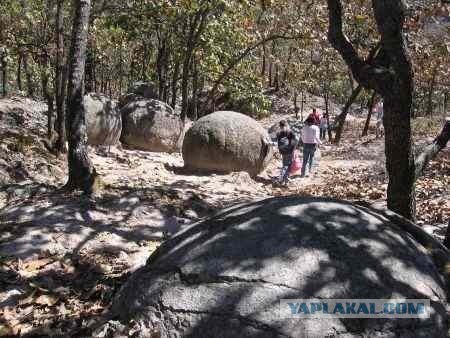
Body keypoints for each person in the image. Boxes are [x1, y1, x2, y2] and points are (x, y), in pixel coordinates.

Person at [276, 120, 297, 185]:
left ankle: (285, 180)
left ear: (280, 126)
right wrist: (293, 151)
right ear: (286, 125)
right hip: (289, 151)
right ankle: (281, 179)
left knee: (285, 165)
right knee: (287, 165)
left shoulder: (279, 133)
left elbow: (278, 143)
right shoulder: (290, 132)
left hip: (283, 151)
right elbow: (293, 142)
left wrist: (280, 151)